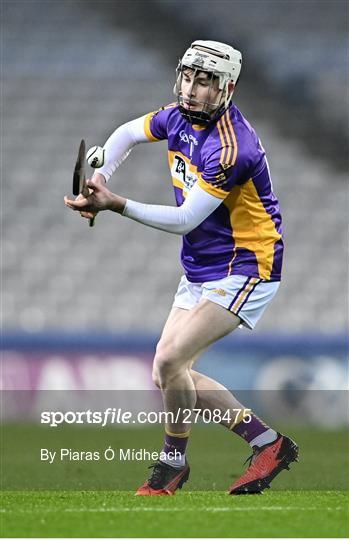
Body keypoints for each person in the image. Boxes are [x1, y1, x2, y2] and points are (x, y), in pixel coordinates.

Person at [64, 39, 299, 495]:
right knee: (167, 371)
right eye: (189, 78)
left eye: (206, 82)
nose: (192, 90)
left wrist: (115, 204)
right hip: (201, 265)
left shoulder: (233, 148)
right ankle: (268, 443)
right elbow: (128, 134)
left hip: (247, 264)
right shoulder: (177, 115)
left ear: (227, 88)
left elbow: (185, 219)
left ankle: (172, 464)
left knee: (171, 360)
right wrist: (99, 179)